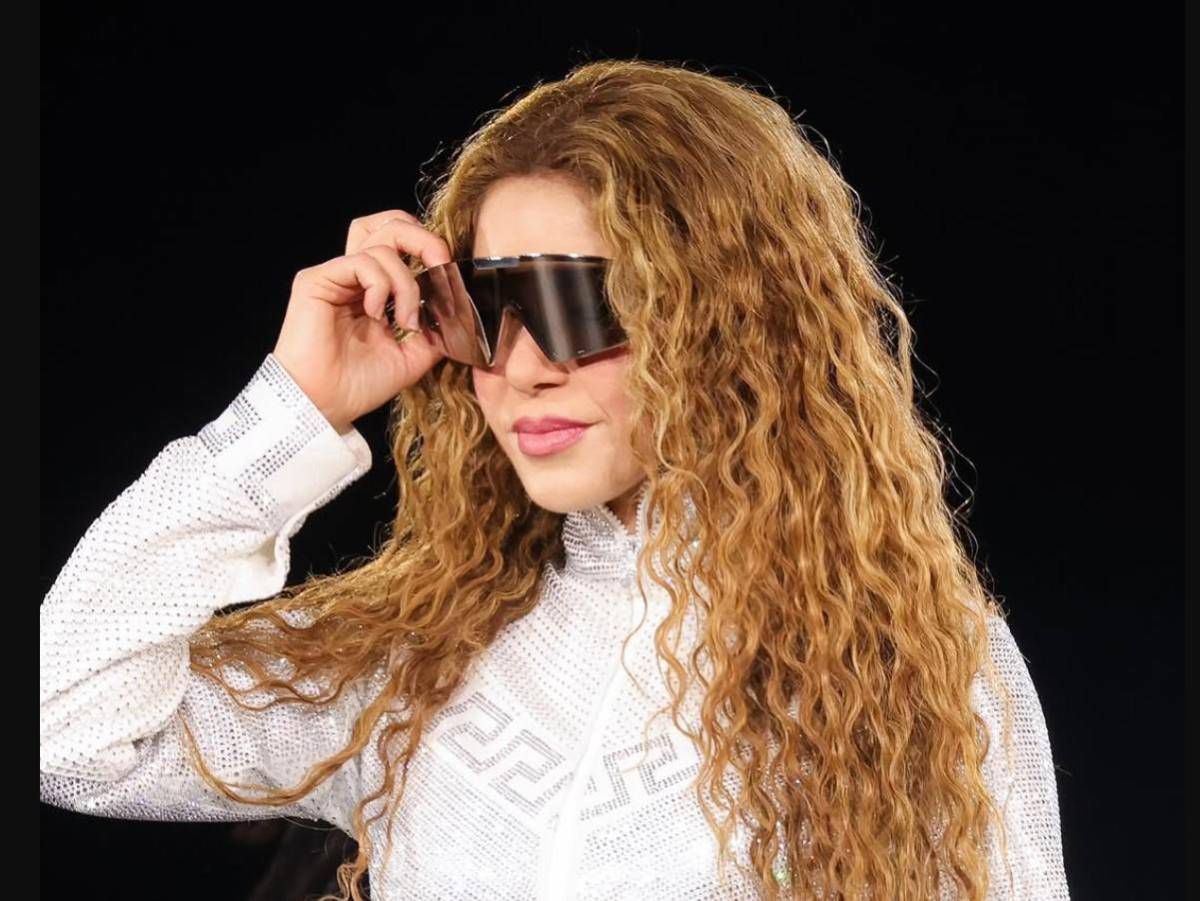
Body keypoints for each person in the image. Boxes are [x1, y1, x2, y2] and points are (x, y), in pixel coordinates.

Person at [39, 58, 1069, 900]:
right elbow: (62, 728)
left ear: (729, 324)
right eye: (488, 307)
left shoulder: (910, 664)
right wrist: (292, 411)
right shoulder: (412, 658)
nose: (525, 366)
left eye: (580, 306)